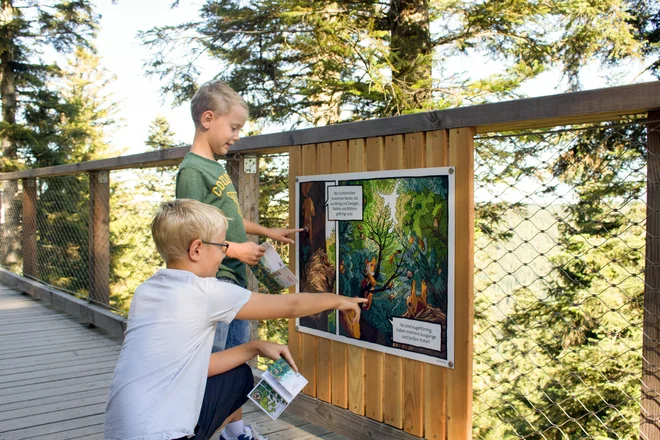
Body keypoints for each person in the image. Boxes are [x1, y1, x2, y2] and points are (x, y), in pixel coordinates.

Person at [103, 199, 365, 440]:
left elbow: (195, 367)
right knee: (238, 378)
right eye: (221, 246)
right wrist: (339, 300)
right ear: (196, 249)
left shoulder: (146, 291)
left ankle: (233, 435)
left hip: (120, 430)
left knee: (238, 375)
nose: (223, 254)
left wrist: (255, 346)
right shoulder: (206, 292)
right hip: (163, 435)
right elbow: (291, 304)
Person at [176, 80, 301, 438]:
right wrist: (235, 250)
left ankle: (235, 433)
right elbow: (190, 235)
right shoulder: (192, 172)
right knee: (213, 365)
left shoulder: (215, 167)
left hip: (232, 281)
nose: (236, 137)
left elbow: (225, 218)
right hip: (213, 284)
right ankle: (194, 429)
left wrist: (264, 232)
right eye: (233, 128)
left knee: (238, 359)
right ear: (207, 118)